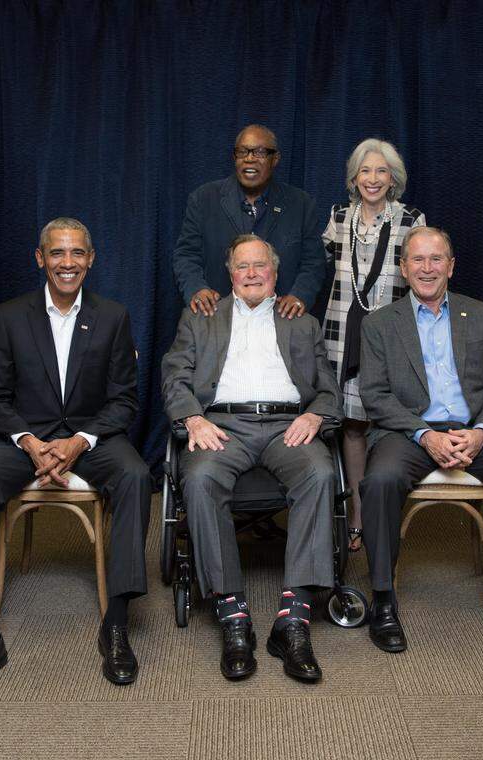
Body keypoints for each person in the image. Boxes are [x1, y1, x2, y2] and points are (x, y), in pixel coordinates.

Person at [0, 218, 152, 702]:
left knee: (137, 475)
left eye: (77, 253)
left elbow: (124, 400)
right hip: (24, 440)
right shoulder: (10, 316)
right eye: (57, 253)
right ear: (40, 259)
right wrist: (29, 442)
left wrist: (80, 441)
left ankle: (116, 624)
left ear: (91, 259)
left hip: (90, 439)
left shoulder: (114, 316)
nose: (67, 263)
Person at [359, 227, 483, 652]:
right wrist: (425, 433)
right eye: (417, 260)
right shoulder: (379, 324)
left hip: (475, 429)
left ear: (451, 266)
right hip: (409, 431)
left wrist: (482, 432)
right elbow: (375, 397)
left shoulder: (480, 313)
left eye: (436, 259)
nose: (427, 268)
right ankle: (382, 597)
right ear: (403, 268)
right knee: (379, 481)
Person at [161, 234, 341, 683]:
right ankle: (232, 612)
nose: (252, 273)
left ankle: (293, 619)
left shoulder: (302, 322)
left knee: (320, 473)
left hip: (288, 426)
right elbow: (175, 380)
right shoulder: (201, 318)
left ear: (275, 273)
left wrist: (317, 415)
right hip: (223, 426)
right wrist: (193, 421)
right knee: (200, 479)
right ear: (230, 273)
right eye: (243, 266)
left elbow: (328, 389)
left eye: (261, 265)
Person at [321, 138, 426, 552]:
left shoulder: (411, 219)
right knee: (352, 425)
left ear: (393, 178)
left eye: (382, 171)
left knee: (390, 421)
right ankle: (358, 517)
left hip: (392, 336)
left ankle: (386, 513)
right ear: (354, 177)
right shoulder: (338, 217)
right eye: (366, 171)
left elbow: (421, 273)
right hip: (342, 333)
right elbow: (327, 264)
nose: (373, 179)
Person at [172, 124, 327, 320]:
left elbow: (314, 262)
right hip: (216, 320)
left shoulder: (301, 204)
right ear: (234, 157)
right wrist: (196, 289)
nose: (250, 158)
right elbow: (186, 255)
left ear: (275, 159)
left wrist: (300, 295)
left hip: (280, 321)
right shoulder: (203, 199)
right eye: (242, 151)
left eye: (260, 152)